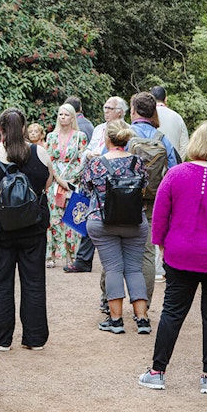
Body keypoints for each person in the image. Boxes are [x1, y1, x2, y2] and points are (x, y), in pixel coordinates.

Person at [138, 120, 207, 393]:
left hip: (181, 254)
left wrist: (162, 247)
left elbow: (160, 215)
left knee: (172, 312)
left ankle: (157, 371)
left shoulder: (176, 174)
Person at [0, 107, 52, 351]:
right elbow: (46, 183)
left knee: (0, 283)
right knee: (34, 282)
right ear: (23, 128)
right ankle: (35, 337)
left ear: (0, 130)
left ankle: (2, 338)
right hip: (33, 229)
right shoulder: (40, 153)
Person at [78, 120, 152, 335]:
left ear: (106, 139)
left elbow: (85, 188)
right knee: (134, 269)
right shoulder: (137, 162)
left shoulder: (96, 163)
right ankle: (142, 319)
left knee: (113, 268)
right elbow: (145, 185)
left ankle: (117, 321)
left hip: (102, 222)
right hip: (134, 221)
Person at [66, 96, 130, 274]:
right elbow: (88, 149)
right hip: (96, 177)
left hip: (116, 182)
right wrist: (88, 155)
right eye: (105, 107)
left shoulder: (127, 130)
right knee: (92, 215)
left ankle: (107, 261)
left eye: (110, 108)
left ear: (120, 111)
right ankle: (83, 260)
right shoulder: (99, 128)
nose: (106, 111)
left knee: (106, 219)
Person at [130, 91, 179, 295]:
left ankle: (109, 302)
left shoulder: (123, 134)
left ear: (133, 110)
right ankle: (144, 301)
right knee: (147, 253)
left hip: (124, 199)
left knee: (115, 251)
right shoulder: (163, 139)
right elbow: (174, 171)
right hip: (153, 199)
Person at [45, 103, 87, 267]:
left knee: (72, 218)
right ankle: (52, 255)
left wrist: (70, 181)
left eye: (66, 114)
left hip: (72, 183)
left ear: (72, 117)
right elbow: (48, 160)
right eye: (60, 114)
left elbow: (82, 160)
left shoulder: (80, 136)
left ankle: (73, 255)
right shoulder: (51, 137)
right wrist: (56, 178)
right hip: (55, 182)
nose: (63, 117)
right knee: (53, 219)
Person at [150, 85, 190, 156]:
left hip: (150, 164)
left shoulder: (146, 117)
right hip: (172, 163)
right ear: (165, 99)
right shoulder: (177, 117)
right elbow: (184, 145)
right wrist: (178, 164)